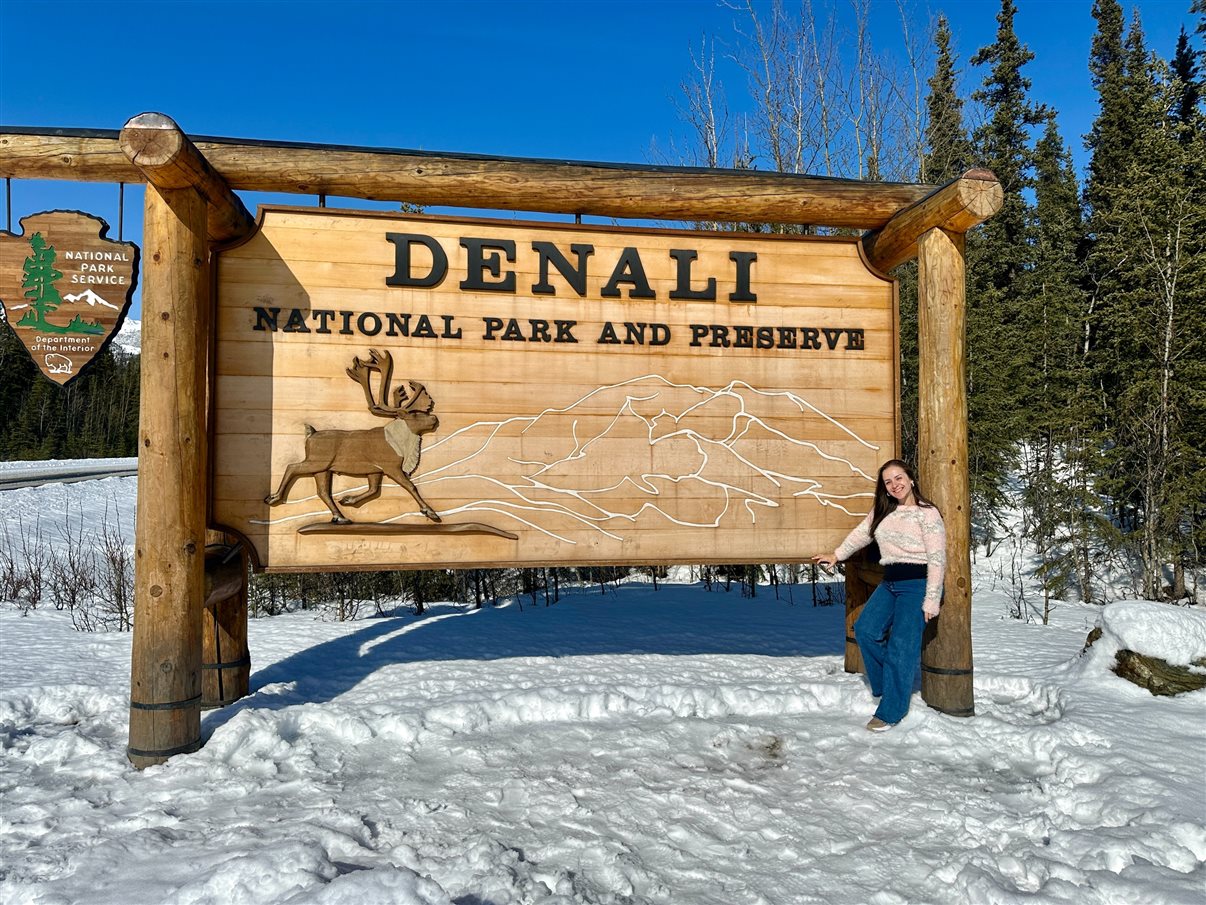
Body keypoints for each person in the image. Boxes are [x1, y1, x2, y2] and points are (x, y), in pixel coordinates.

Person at [813, 459, 946, 732]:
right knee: (865, 628)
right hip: (891, 582)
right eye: (888, 482)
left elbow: (937, 558)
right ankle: (889, 684)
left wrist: (931, 598)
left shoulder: (927, 513)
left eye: (899, 478)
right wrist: (836, 555)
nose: (895, 485)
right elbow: (861, 534)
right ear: (884, 488)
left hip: (917, 584)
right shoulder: (883, 511)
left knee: (901, 647)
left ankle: (891, 711)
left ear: (911, 479)